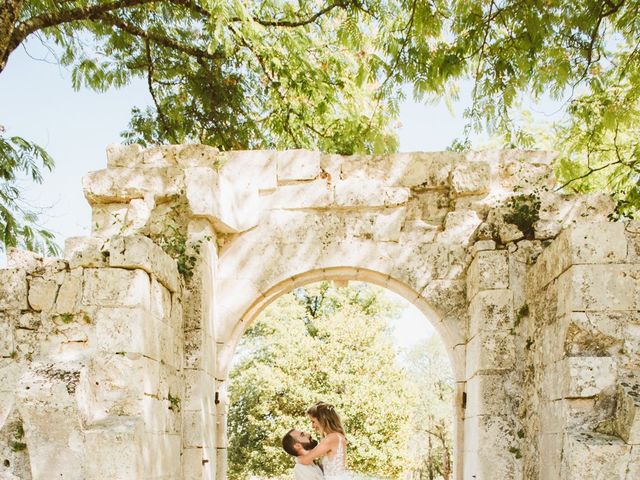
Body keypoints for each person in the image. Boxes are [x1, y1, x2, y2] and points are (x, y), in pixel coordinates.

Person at [297, 402, 350, 479]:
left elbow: (305, 460)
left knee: (299, 466)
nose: (312, 426)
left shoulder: (331, 438)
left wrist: (296, 454)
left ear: (323, 419)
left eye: (313, 421)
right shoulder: (338, 436)